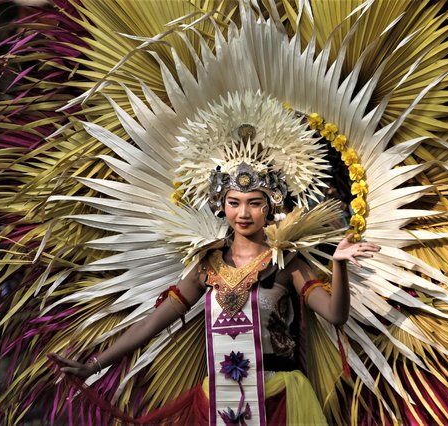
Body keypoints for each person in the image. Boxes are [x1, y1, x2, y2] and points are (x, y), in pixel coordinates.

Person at [51, 160, 380, 424]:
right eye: (234, 203)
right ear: (222, 207)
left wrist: (339, 265)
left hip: (280, 400)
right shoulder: (205, 266)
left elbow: (336, 315)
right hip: (219, 404)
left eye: (255, 203)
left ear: (270, 207)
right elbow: (150, 325)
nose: (244, 213)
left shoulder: (286, 262)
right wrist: (93, 366)